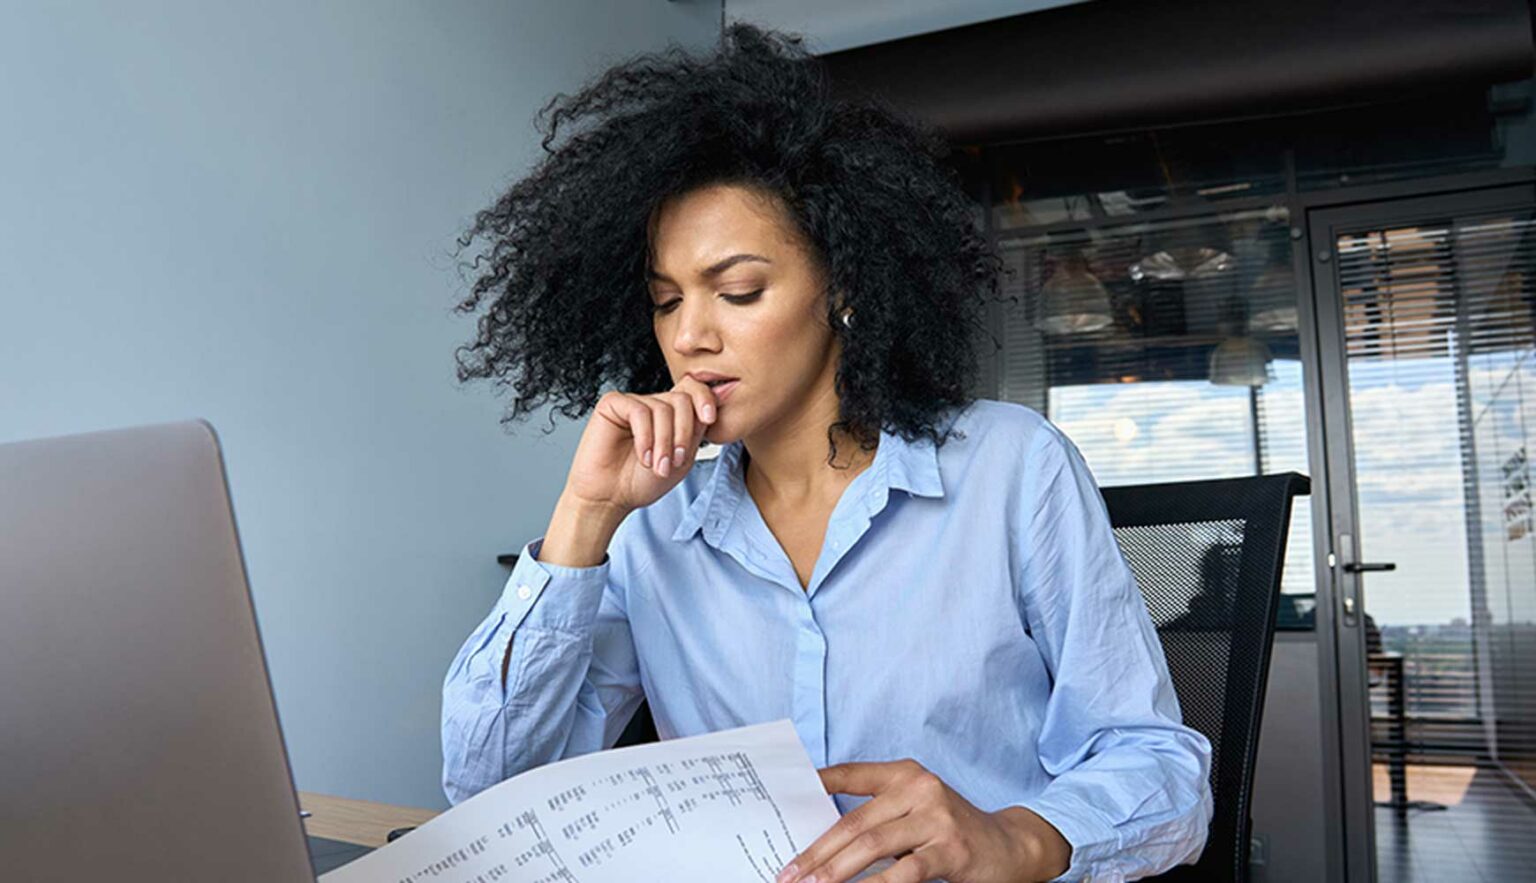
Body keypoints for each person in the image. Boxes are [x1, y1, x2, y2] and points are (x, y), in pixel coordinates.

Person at [440, 23, 1212, 883]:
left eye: (738, 291)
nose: (691, 335)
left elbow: (1158, 765)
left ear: (842, 287)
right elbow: (489, 790)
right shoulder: (655, 528)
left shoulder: (1012, 468)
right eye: (665, 302)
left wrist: (1013, 840)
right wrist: (584, 517)